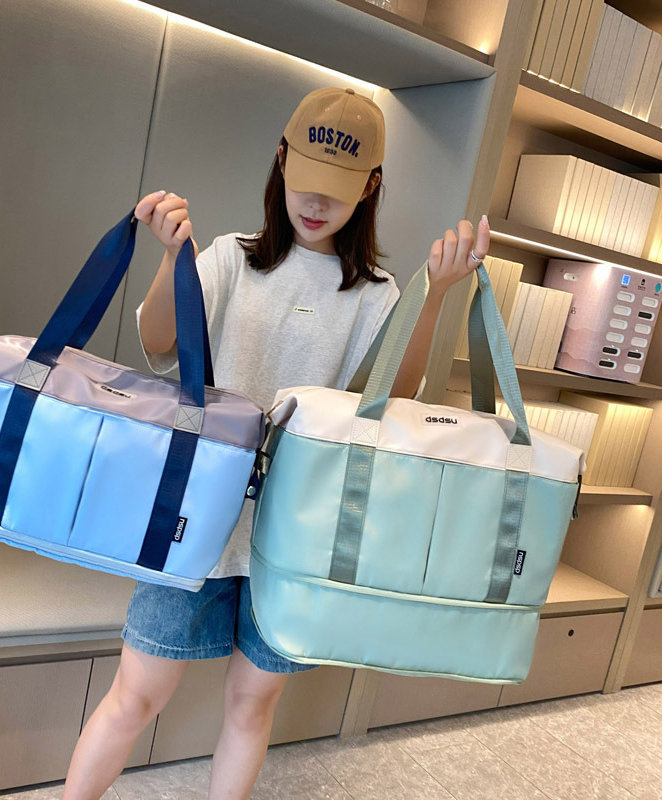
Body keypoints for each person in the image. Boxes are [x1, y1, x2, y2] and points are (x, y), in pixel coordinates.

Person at [61, 86, 490, 800]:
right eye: (306, 181)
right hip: (194, 515)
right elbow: (159, 342)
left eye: (339, 190)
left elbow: (386, 398)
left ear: (370, 187)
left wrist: (435, 295)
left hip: (295, 533)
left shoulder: (376, 294)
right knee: (134, 696)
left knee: (251, 705)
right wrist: (172, 257)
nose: (316, 203)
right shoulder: (230, 259)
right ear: (282, 160)